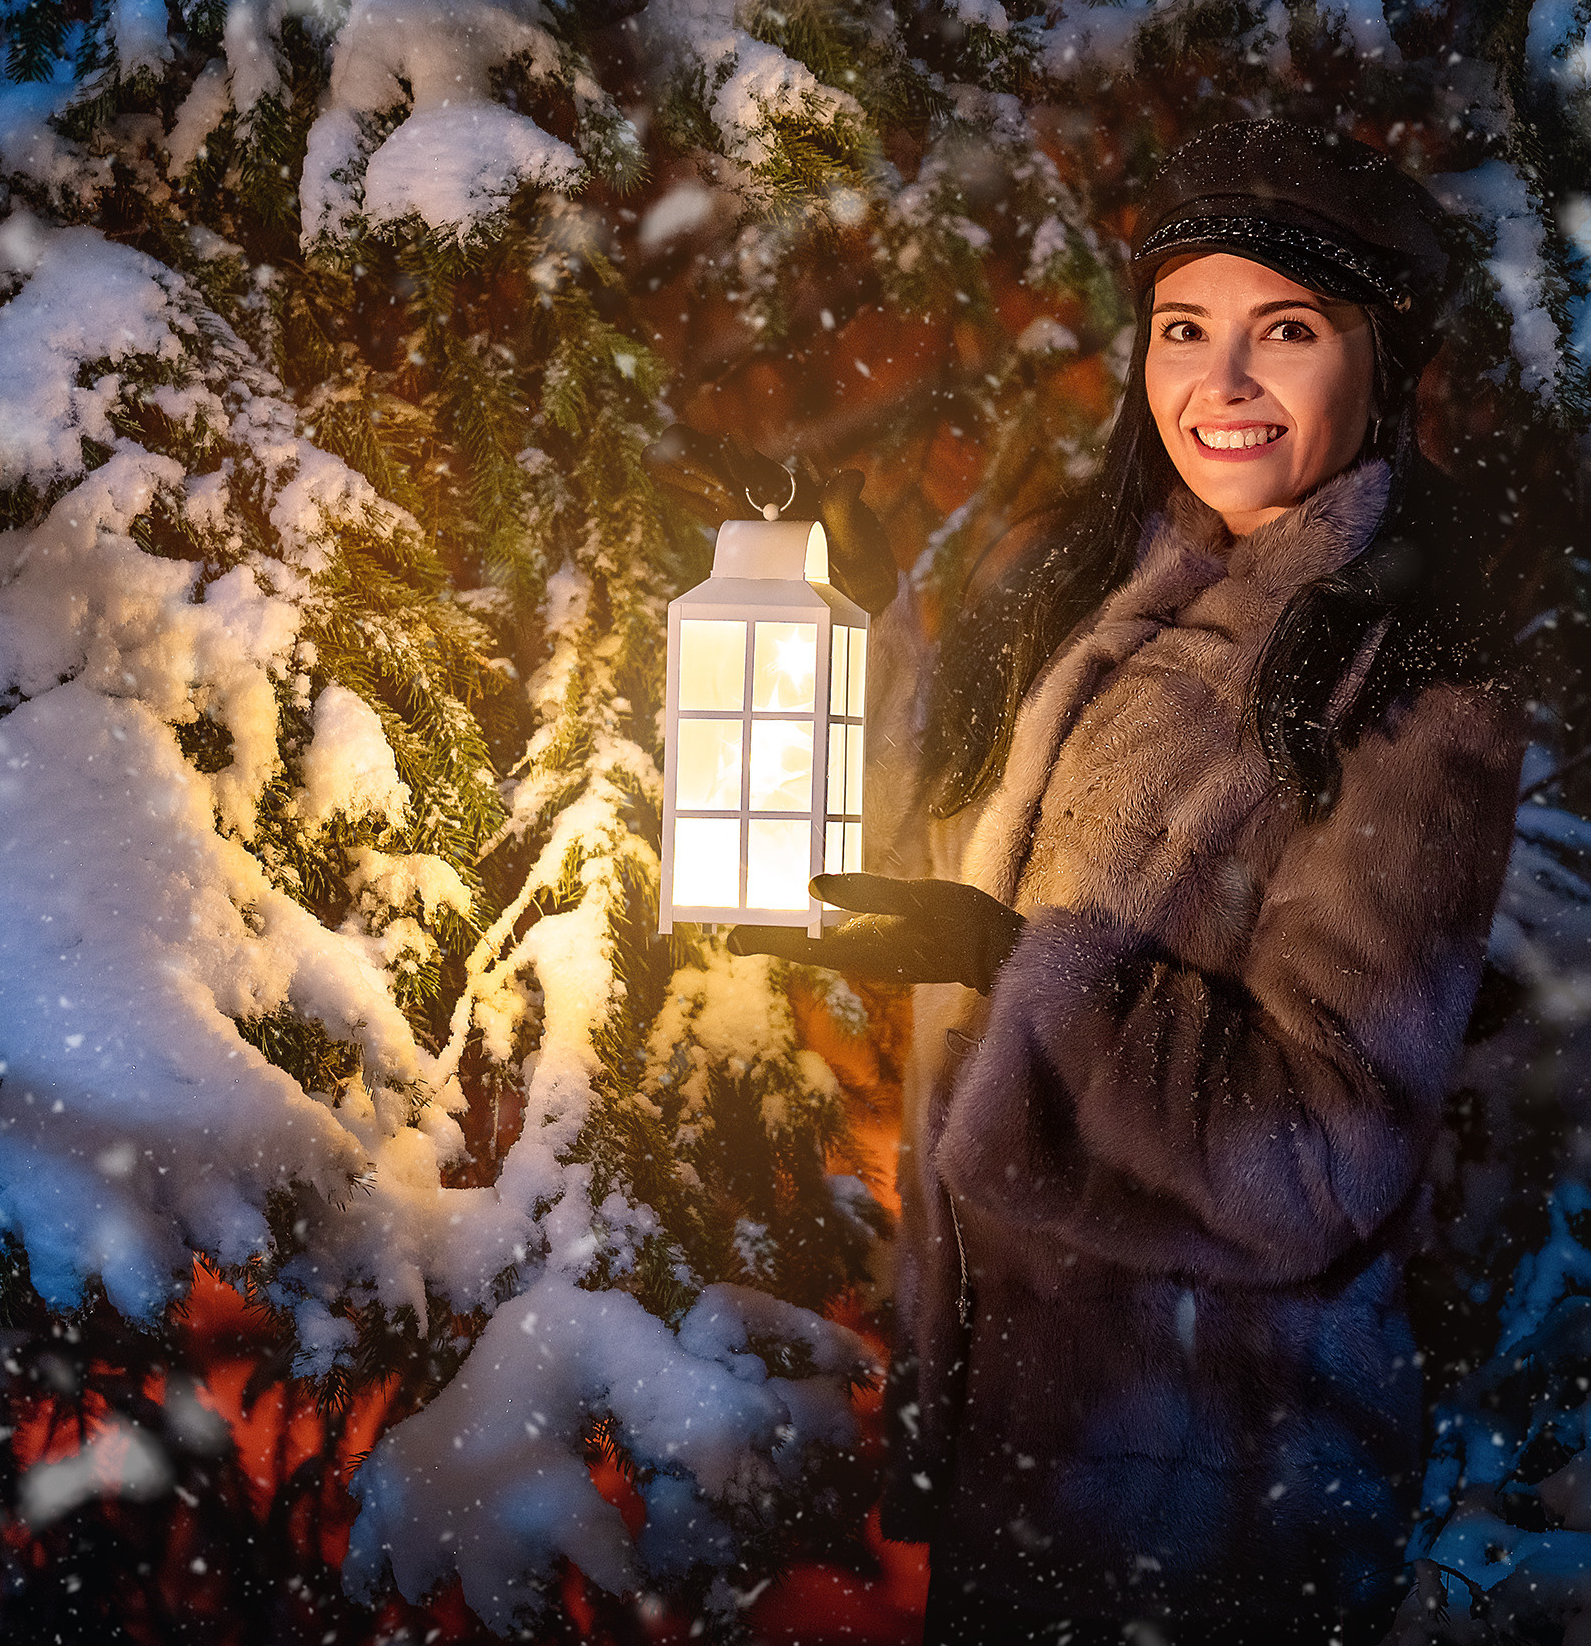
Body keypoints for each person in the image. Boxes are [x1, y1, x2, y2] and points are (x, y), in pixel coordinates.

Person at [648, 119, 1526, 1645]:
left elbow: (1320, 1160)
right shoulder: (1107, 610)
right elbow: (984, 910)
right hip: (1033, 1463)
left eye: (1286, 331)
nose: (1221, 381)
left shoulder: (1415, 694)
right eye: (1184, 328)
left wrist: (1014, 965)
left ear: (1380, 361)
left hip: (1218, 1491)